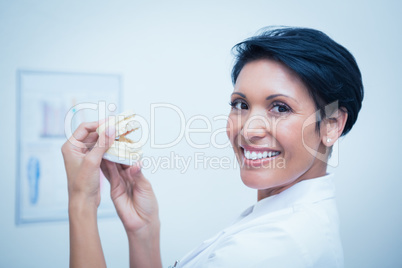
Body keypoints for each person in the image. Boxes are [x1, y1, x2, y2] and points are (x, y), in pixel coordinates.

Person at [61, 26, 363, 267]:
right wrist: (144, 233)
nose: (248, 129)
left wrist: (81, 202)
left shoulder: (268, 250)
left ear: (332, 125)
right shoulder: (282, 218)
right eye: (241, 104)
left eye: (280, 108)